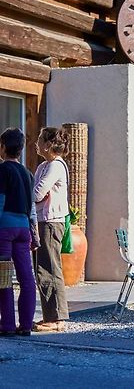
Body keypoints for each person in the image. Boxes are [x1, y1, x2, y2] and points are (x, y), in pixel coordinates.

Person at [33, 127, 71, 332]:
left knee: (50, 268)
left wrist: (35, 194)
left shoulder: (55, 166)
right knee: (42, 269)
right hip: (43, 220)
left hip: (50, 221)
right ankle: (50, 316)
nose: (36, 142)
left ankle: (56, 319)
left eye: (40, 139)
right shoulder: (45, 166)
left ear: (48, 144)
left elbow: (37, 193)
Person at [0, 128, 36, 336]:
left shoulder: (2, 170)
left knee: (4, 276)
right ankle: (26, 324)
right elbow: (31, 208)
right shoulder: (27, 173)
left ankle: (7, 325)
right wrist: (34, 233)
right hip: (23, 229)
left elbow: (1, 201)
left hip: (4, 228)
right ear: (21, 149)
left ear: (3, 147)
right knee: (26, 277)